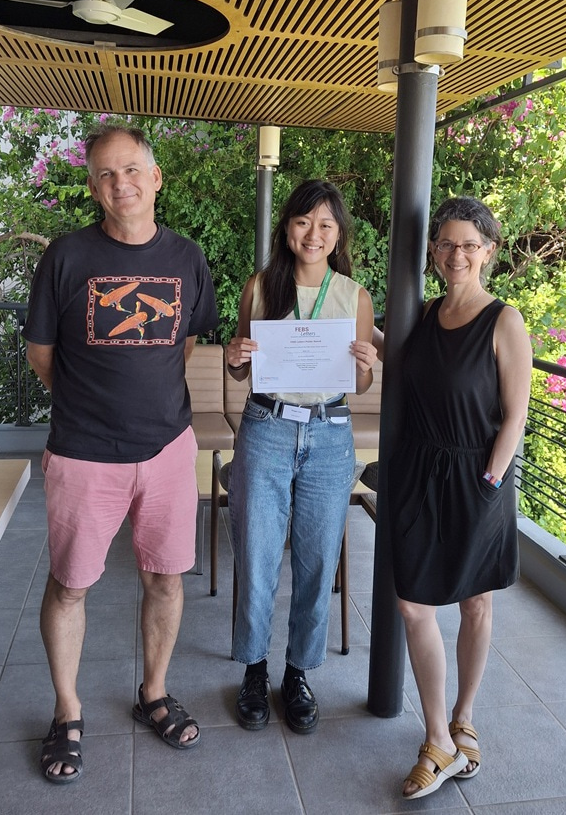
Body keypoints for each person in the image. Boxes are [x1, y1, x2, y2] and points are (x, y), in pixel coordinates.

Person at [23, 123, 218, 784]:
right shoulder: (67, 258)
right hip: (83, 452)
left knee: (166, 579)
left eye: (132, 169)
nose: (120, 183)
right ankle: (67, 710)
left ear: (156, 178)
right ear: (94, 188)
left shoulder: (188, 258)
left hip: (167, 450)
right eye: (106, 174)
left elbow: (183, 345)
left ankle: (154, 692)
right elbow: (42, 354)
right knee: (71, 586)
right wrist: (89, 406)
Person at [388, 197, 531, 799]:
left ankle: (462, 720)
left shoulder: (504, 320)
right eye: (446, 244)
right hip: (419, 469)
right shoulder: (421, 314)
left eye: (469, 244)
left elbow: (515, 415)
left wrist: (491, 482)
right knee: (412, 604)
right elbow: (400, 358)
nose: (456, 255)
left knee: (475, 604)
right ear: (434, 251)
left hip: (478, 477)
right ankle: (438, 736)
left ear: (489, 252)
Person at [225, 179, 378, 734]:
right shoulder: (261, 286)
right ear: (287, 228)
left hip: (330, 433)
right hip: (266, 428)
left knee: (317, 560)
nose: (313, 234)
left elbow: (358, 385)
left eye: (326, 225)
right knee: (257, 553)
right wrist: (236, 355)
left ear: (338, 236)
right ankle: (253, 668)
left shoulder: (354, 295)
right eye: (303, 222)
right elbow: (240, 369)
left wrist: (365, 362)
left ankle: (297, 673)